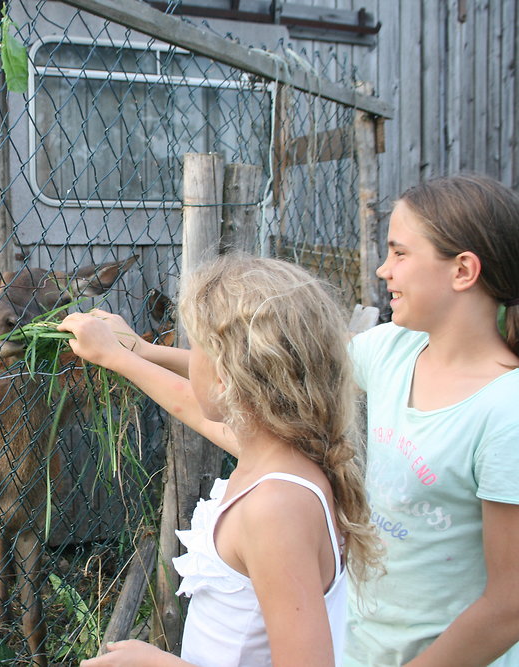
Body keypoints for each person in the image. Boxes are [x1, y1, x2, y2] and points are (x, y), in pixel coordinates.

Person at [60, 255, 382, 667]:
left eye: (196, 347)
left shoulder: (274, 508)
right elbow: (190, 406)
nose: (188, 356)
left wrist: (161, 664)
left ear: (226, 376)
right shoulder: (287, 456)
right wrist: (131, 354)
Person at [343, 174, 519, 666]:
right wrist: (146, 355)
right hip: (362, 649)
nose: (384, 270)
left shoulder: (507, 412)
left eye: (400, 253)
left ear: (463, 270)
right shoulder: (393, 350)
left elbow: (509, 605)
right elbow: (282, 373)